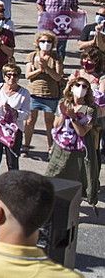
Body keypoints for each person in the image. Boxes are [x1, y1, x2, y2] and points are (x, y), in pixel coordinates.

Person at [45, 78, 98, 206]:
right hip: (61, 146)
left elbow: (82, 132)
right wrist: (63, 114)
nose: (81, 88)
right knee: (52, 176)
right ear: (72, 87)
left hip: (79, 150)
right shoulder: (64, 103)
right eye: (78, 85)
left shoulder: (90, 109)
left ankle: (71, 209)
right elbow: (56, 125)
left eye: (84, 87)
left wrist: (73, 117)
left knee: (74, 181)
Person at [0, 65, 30, 203]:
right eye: (9, 75)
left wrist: (15, 112)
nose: (12, 78)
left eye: (15, 75)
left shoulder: (24, 93)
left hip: (13, 132)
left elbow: (26, 114)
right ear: (4, 76)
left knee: (12, 162)